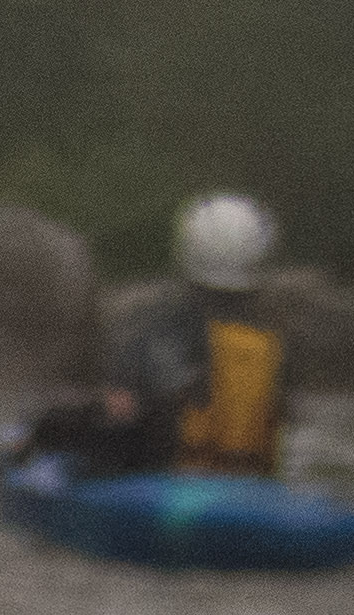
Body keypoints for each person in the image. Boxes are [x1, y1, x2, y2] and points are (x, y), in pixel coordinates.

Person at [23, 191, 290, 480]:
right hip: (249, 488)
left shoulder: (155, 331)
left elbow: (118, 411)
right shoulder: (275, 347)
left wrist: (45, 430)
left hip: (162, 488)